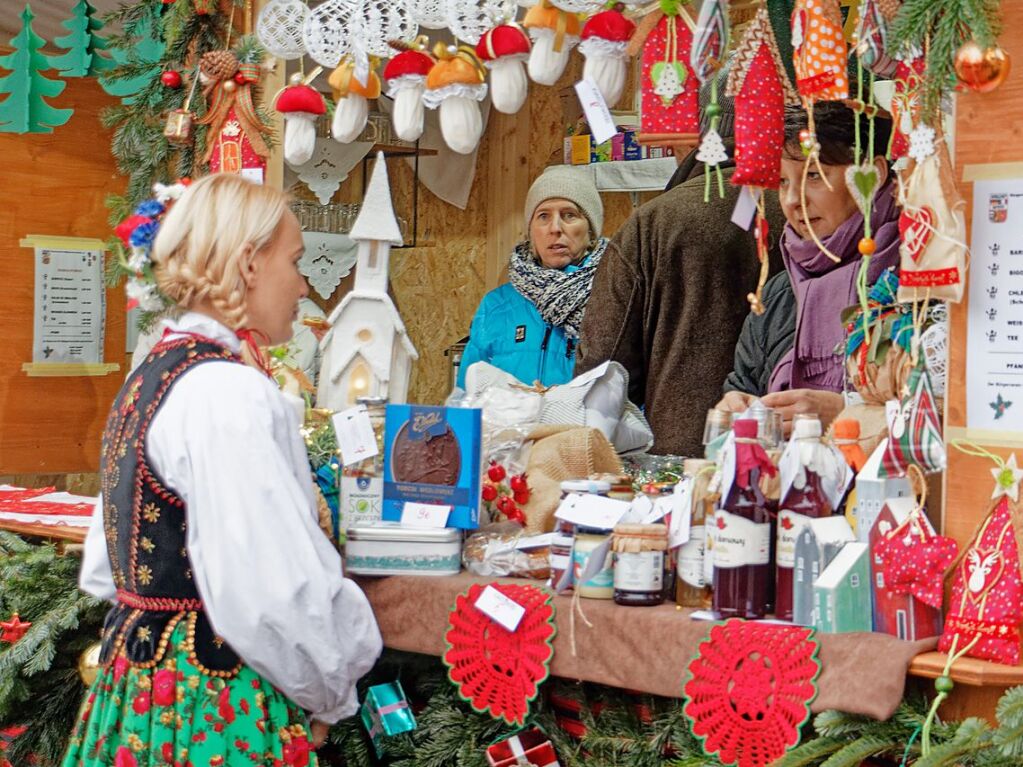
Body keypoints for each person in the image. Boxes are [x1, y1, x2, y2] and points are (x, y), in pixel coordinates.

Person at [66, 175, 382, 767]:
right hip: (212, 699)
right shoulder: (226, 392)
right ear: (249, 263)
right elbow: (272, 593)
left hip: (139, 689)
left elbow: (107, 567)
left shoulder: (153, 374)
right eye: (294, 260)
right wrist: (329, 691)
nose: (303, 283)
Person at [574, 74, 787, 457]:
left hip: (682, 457)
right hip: (790, 456)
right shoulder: (806, 209)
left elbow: (604, 367)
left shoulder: (653, 222)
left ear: (700, 131)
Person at [717, 101, 898, 435]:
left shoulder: (915, 280)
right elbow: (743, 384)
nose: (792, 200)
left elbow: (950, 406)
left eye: (814, 175)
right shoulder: (779, 292)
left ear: (871, 176)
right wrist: (736, 409)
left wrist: (848, 412)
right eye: (783, 181)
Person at [456, 166, 608, 389]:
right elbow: (466, 396)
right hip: (509, 425)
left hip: (584, 425)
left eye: (569, 215)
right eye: (543, 216)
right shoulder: (496, 305)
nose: (555, 228)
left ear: (591, 232)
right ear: (531, 231)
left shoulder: (613, 301)